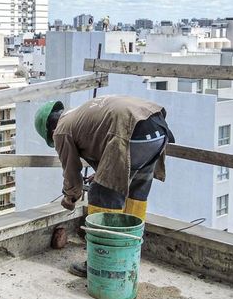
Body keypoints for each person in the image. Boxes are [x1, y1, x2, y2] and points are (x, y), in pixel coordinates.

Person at [33, 95, 174, 276]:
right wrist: (101, 174)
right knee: (135, 195)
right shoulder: (81, 113)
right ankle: (129, 255)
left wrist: (70, 197)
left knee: (100, 196)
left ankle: (102, 263)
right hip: (156, 131)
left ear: (51, 130)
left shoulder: (61, 130)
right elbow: (105, 145)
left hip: (131, 136)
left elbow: (71, 171)